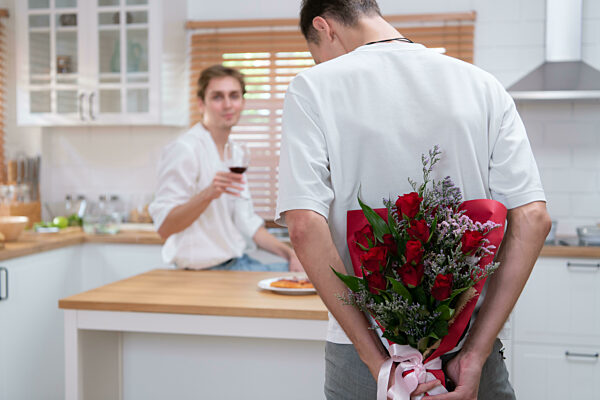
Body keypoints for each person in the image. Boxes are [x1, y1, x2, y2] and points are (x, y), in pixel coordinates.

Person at [275, 1, 552, 399]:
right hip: (468, 351)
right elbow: (533, 218)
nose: (319, 62)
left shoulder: (313, 87)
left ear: (324, 27)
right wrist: (475, 354)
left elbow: (303, 226)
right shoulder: (481, 84)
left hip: (367, 355)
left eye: (315, 52)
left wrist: (380, 366)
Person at [149, 65, 303, 272]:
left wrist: (290, 254)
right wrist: (208, 194)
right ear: (201, 104)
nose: (228, 105)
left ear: (243, 102)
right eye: (217, 97)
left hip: (238, 263)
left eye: (234, 96)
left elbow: (246, 222)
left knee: (308, 275)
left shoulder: (235, 154)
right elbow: (165, 227)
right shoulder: (185, 150)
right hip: (204, 270)